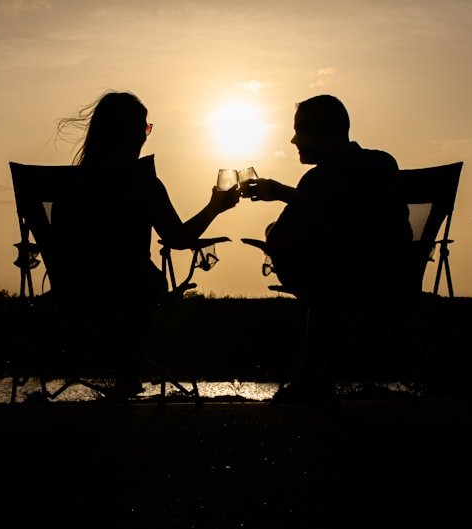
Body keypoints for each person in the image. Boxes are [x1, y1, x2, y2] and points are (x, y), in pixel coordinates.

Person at [50, 90, 240, 398]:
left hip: (74, 286)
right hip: (131, 288)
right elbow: (178, 239)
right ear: (129, 134)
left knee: (131, 281)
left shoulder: (67, 185)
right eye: (144, 128)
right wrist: (214, 208)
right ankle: (128, 372)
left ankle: (120, 368)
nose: (145, 136)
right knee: (147, 281)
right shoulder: (141, 182)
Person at [240, 94, 414, 403]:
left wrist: (271, 231)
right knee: (327, 271)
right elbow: (347, 208)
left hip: (344, 286)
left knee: (316, 281)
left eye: (300, 131)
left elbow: (282, 238)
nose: (294, 140)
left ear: (322, 133)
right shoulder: (383, 164)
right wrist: (284, 193)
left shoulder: (318, 179)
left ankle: (312, 380)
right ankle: (315, 379)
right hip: (396, 279)